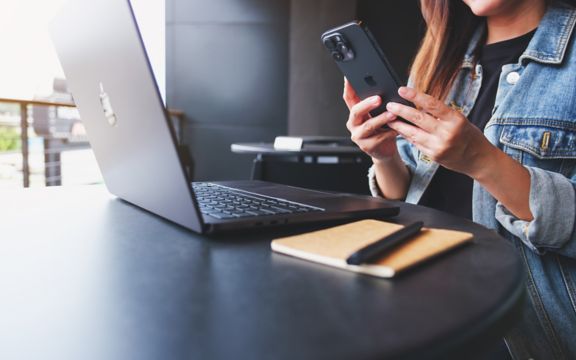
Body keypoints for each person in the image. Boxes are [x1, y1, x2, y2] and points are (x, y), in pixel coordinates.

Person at [344, 0, 576, 358]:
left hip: (521, 338)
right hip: (417, 315)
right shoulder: (440, 61)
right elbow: (408, 194)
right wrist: (384, 155)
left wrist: (482, 161)